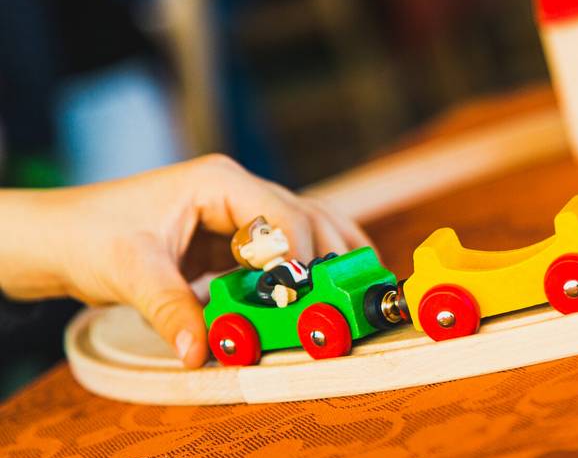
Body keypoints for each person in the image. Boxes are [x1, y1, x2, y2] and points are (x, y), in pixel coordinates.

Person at [0, 154, 369, 369]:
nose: (276, 238)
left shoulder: (284, 264)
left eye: (272, 234)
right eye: (266, 238)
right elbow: (273, 292)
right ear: (249, 255)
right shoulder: (269, 279)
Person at [230, 215, 336, 308]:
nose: (278, 231)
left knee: (317, 263)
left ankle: (332, 268)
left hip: (310, 291)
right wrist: (276, 294)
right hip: (299, 300)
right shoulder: (270, 275)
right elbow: (263, 290)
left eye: (272, 230)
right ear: (248, 252)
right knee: (315, 265)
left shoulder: (293, 262)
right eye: (266, 232)